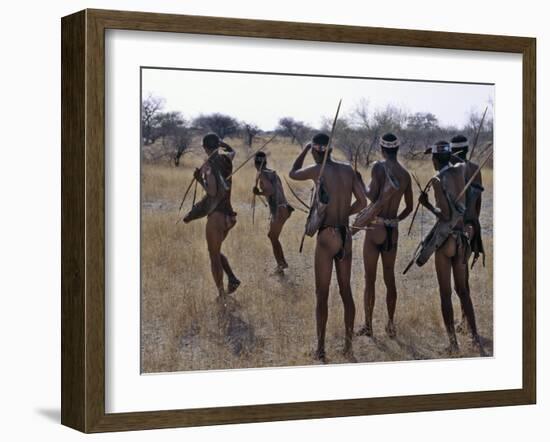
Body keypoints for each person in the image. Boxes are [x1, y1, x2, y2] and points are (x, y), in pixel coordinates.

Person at [289, 133, 367, 362]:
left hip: (326, 236)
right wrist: (344, 215)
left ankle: (321, 349)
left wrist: (303, 150)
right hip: (345, 234)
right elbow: (363, 203)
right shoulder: (348, 170)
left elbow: (293, 173)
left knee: (322, 294)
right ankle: (348, 346)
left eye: (312, 151)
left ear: (315, 151)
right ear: (330, 150)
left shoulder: (317, 170)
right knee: (346, 291)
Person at [418, 140, 483, 354]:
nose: (432, 162)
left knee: (446, 294)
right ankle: (475, 340)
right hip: (463, 239)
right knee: (463, 291)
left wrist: (428, 205)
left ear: (436, 160)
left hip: (446, 242)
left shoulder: (438, 180)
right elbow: (458, 161)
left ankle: (453, 344)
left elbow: (445, 215)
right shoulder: (461, 170)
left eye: (433, 158)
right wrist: (445, 153)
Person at [355, 133, 413, 338]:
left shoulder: (378, 167)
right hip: (392, 230)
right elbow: (409, 207)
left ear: (382, 148)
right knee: (390, 278)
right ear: (397, 149)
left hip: (374, 228)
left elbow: (372, 196)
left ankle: (368, 326)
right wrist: (395, 220)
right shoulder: (405, 174)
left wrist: (360, 181)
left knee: (369, 279)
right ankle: (390, 324)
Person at [183, 133, 241, 297]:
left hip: (216, 217)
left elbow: (213, 191)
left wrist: (199, 180)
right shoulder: (226, 158)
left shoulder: (208, 166)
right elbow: (233, 152)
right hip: (229, 216)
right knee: (215, 250)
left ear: (204, 147)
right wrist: (224, 145)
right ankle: (232, 278)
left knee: (213, 255)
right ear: (217, 145)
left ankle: (221, 293)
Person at [450, 135, 485, 333]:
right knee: (464, 277)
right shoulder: (475, 169)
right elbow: (478, 202)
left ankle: (468, 324)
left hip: (460, 227)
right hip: (472, 225)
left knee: (459, 283)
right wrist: (475, 223)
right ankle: (465, 320)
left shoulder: (454, 171)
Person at [252, 151, 295, 273]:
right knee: (273, 236)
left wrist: (258, 193)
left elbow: (270, 191)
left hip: (279, 209)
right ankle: (281, 265)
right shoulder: (272, 173)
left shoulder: (262, 174)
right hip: (284, 208)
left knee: (272, 236)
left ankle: (281, 264)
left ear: (255, 163)